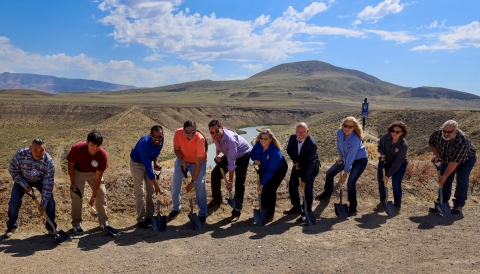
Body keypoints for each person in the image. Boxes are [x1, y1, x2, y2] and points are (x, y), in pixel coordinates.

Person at [316, 117, 368, 216]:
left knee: (350, 183)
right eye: (345, 125)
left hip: (359, 160)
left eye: (350, 127)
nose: (347, 128)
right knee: (329, 173)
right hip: (345, 157)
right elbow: (339, 146)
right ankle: (327, 194)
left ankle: (353, 208)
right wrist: (340, 157)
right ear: (342, 125)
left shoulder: (355, 140)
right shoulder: (339, 133)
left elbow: (350, 159)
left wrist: (344, 175)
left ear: (354, 128)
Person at [5, 138, 56, 238]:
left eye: (42, 150)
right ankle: (11, 227)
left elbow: (48, 183)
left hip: (40, 180)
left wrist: (43, 203)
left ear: (45, 149)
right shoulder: (21, 154)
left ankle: (51, 228)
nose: (38, 153)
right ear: (30, 148)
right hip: (22, 179)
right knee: (14, 202)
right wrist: (23, 183)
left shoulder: (48, 162)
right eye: (35, 150)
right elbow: (12, 170)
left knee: (50, 201)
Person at [428, 120, 477, 214]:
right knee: (444, 181)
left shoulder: (462, 140)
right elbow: (432, 144)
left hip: (466, 160)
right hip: (447, 159)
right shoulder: (437, 133)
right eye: (444, 131)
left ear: (456, 131)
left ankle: (458, 205)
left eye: (449, 132)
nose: (446, 134)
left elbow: (455, 162)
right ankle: (442, 202)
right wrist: (437, 155)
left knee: (461, 179)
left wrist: (445, 176)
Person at [208, 120, 251, 223]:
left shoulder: (230, 140)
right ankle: (217, 199)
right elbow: (218, 145)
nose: (214, 134)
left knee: (239, 183)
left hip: (243, 155)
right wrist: (217, 154)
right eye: (212, 132)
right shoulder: (214, 136)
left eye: (217, 131)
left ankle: (236, 211)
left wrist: (230, 182)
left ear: (222, 128)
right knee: (215, 174)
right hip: (229, 154)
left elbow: (231, 164)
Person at [67, 129, 109, 234]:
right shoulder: (77, 148)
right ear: (87, 142)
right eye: (92, 145)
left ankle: (103, 222)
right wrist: (73, 183)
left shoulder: (102, 155)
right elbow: (70, 166)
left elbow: (98, 177)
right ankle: (76, 224)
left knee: (101, 194)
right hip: (78, 172)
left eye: (97, 146)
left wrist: (94, 195)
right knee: (76, 196)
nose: (94, 148)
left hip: (94, 173)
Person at [170, 120, 208, 224]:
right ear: (183, 130)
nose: (190, 134)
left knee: (199, 184)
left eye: (193, 131)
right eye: (187, 131)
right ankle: (176, 208)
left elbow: (199, 162)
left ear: (196, 130)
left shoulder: (200, 139)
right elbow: (176, 150)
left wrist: (192, 182)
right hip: (182, 160)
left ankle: (203, 213)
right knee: (175, 183)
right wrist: (182, 161)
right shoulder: (178, 133)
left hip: (198, 163)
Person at [284, 122, 320, 223]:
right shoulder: (292, 138)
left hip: (311, 168)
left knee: (307, 188)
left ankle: (307, 210)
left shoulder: (312, 144)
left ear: (307, 131)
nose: (300, 135)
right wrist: (296, 161)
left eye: (303, 132)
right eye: (298, 132)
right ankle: (296, 207)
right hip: (299, 165)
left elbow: (310, 163)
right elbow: (289, 150)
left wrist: (304, 180)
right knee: (292, 185)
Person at [250, 129, 288, 223]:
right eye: (261, 138)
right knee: (262, 190)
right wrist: (255, 160)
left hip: (278, 170)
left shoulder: (275, 152)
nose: (262, 140)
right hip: (264, 167)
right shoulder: (258, 145)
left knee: (270, 189)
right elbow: (252, 154)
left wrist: (262, 184)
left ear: (270, 139)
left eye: (265, 139)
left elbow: (270, 171)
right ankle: (263, 209)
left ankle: (270, 214)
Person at [130, 125, 164, 229]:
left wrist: (156, 163)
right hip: (137, 163)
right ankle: (141, 219)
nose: (157, 139)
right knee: (139, 191)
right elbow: (148, 170)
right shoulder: (144, 145)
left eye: (160, 136)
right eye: (155, 136)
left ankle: (150, 216)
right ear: (150, 135)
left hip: (148, 161)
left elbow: (156, 152)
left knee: (151, 191)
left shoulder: (161, 140)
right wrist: (156, 186)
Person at [376, 121, 409, 215]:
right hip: (385, 162)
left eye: (397, 132)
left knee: (396, 183)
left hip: (399, 165)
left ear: (402, 133)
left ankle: (397, 206)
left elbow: (397, 163)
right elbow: (380, 146)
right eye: (393, 131)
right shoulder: (386, 137)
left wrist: (388, 175)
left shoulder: (403, 145)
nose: (394, 133)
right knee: (381, 183)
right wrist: (382, 153)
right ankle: (383, 202)